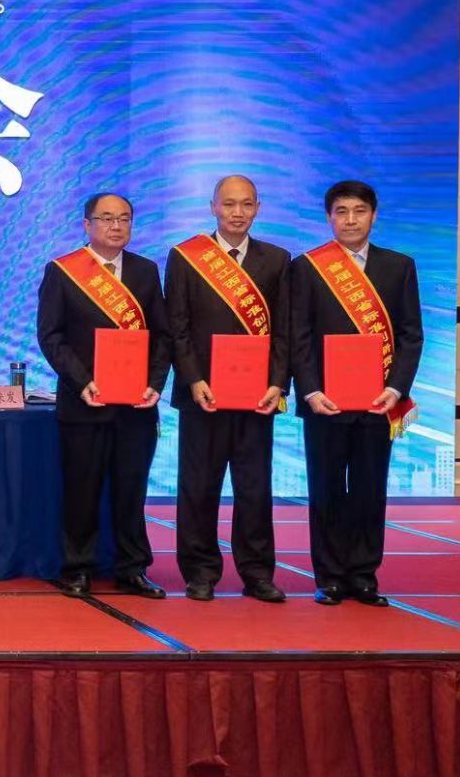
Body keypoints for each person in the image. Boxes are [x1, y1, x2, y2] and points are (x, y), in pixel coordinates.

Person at [289, 180, 423, 607]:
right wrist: (310, 391)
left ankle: (364, 575)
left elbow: (411, 335)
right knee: (325, 489)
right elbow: (298, 335)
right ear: (329, 217)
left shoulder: (399, 266)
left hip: (378, 402)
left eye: (359, 211)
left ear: (374, 216)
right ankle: (329, 577)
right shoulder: (307, 267)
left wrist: (396, 388)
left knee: (369, 489)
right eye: (342, 211)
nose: (350, 220)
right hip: (324, 403)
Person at [36, 192, 170, 599]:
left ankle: (133, 569)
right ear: (87, 225)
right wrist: (82, 382)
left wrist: (155, 382)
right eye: (107, 218)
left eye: (124, 218)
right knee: (82, 491)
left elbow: (163, 336)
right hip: (84, 403)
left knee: (132, 490)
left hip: (136, 406)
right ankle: (77, 568)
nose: (116, 226)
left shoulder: (146, 271)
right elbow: (51, 336)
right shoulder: (63, 271)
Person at [163, 175, 289, 603]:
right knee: (199, 486)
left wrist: (277, 382)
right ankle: (200, 571)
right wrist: (193, 379)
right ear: (213, 206)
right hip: (203, 396)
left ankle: (257, 573)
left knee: (254, 488)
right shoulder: (186, 257)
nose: (238, 213)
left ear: (258, 208)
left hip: (257, 397)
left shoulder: (277, 260)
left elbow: (284, 330)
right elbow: (176, 327)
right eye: (229, 204)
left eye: (247, 204)